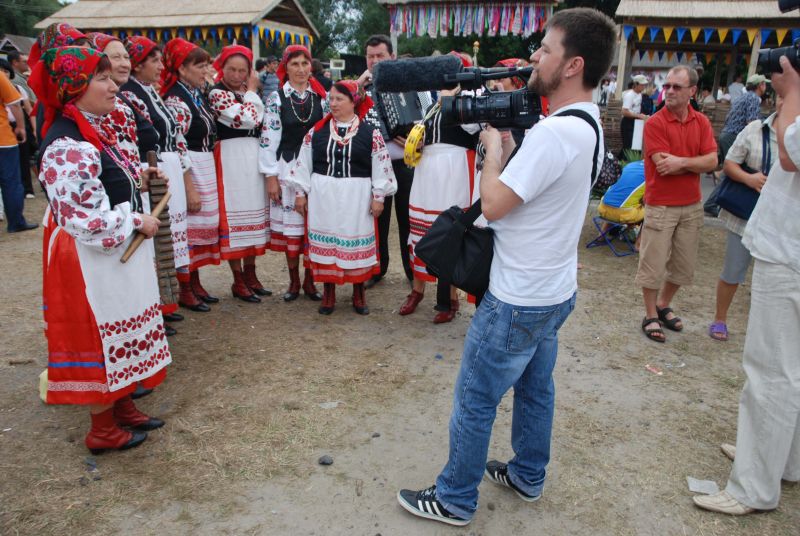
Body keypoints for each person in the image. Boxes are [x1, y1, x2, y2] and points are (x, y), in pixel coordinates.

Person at [397, 8, 616, 525]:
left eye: (546, 48)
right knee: (536, 389)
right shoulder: (588, 124)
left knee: (476, 398)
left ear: (572, 64)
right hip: (555, 289)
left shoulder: (554, 133)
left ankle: (453, 498)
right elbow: (537, 197)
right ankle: (528, 473)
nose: (536, 55)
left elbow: (493, 205)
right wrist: (512, 151)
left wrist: (493, 150)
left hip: (517, 296)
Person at [29, 46, 170, 454]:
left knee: (122, 324)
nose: (114, 86)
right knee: (100, 334)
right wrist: (134, 220)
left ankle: (121, 404)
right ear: (74, 88)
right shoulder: (65, 145)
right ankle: (102, 428)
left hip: (109, 257)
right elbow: (81, 218)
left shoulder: (92, 129)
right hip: (88, 259)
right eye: (103, 79)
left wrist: (140, 176)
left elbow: (107, 179)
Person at [693, 55, 800, 517]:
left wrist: (793, 90)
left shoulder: (792, 98)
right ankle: (782, 460)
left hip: (790, 250)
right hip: (789, 247)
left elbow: (792, 153)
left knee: (771, 371)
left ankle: (754, 485)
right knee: (790, 368)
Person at [288, 80, 396, 314]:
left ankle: (358, 292)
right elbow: (303, 163)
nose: (332, 103)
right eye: (332, 98)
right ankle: (329, 292)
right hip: (323, 196)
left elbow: (381, 166)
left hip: (355, 197)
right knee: (329, 241)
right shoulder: (317, 131)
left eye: (339, 99)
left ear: (353, 102)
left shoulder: (370, 133)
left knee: (353, 240)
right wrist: (300, 193)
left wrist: (379, 196)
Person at [635, 65, 718, 343]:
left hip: (691, 205)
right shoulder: (656, 123)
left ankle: (663, 304)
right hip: (661, 205)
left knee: (683, 267)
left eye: (676, 87)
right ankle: (650, 315)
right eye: (667, 86)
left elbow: (713, 161)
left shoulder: (702, 122)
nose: (668, 91)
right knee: (653, 266)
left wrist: (682, 162)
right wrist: (696, 163)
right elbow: (662, 166)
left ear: (692, 91)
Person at [399, 51, 479, 324]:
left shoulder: (472, 97)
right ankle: (417, 289)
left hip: (453, 170)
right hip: (428, 171)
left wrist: (453, 95)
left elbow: (472, 127)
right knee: (422, 229)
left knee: (448, 231)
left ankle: (449, 298)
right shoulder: (433, 102)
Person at [123, 35, 193, 323]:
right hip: (149, 167)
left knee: (165, 238)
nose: (161, 66)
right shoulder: (130, 93)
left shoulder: (148, 91)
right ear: (137, 65)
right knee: (155, 238)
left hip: (166, 165)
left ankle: (165, 303)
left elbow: (171, 132)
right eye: (154, 60)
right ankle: (156, 307)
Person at [356, 34, 430, 287]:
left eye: (380, 56)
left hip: (406, 163)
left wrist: (421, 137)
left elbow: (429, 116)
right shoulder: (359, 88)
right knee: (377, 220)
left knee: (409, 218)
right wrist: (356, 87)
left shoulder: (412, 84)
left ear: (392, 57)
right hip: (373, 166)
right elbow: (338, 114)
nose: (375, 61)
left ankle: (412, 271)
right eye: (371, 56)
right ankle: (377, 269)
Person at [259, 45, 326, 302]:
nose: (301, 69)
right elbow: (268, 138)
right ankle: (294, 281)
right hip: (287, 167)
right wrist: (270, 176)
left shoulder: (321, 97)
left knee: (312, 226)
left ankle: (310, 281)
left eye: (305, 63)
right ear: (285, 68)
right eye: (295, 64)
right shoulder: (277, 98)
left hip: (315, 170)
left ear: (311, 66)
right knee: (292, 230)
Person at [162, 38, 221, 312]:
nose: (206, 70)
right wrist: (189, 186)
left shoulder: (197, 92)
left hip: (203, 161)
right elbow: (178, 142)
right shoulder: (176, 99)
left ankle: (194, 282)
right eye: (200, 65)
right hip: (191, 165)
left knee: (200, 228)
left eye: (207, 64)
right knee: (189, 229)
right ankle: (186, 286)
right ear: (182, 68)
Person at [208, 45, 270, 302]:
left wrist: (251, 94)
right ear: (221, 68)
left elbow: (258, 120)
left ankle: (251, 272)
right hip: (231, 155)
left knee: (254, 210)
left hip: (252, 154)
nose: (237, 75)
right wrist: (254, 92)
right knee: (234, 216)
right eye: (231, 69)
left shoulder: (245, 92)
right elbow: (248, 118)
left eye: (242, 70)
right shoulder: (217, 94)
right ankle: (237, 279)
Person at [709, 111, 778, 342]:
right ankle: (720, 318)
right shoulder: (755, 129)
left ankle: (767, 330)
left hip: (780, 221)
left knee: (773, 278)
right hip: (745, 215)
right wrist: (749, 179)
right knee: (733, 270)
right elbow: (729, 164)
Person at [0, 69, 36, 232]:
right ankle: (16, 222)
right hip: (3, 139)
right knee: (11, 182)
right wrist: (21, 127)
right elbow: (14, 103)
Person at [718, 74, 769, 162]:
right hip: (733, 137)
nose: (766, 87)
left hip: (726, 135)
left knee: (728, 169)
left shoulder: (743, 96)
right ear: (760, 85)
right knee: (734, 169)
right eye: (764, 84)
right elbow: (752, 123)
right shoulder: (753, 98)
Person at [620, 74, 648, 153]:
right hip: (628, 122)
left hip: (637, 121)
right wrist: (639, 116)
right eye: (642, 85)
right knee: (628, 146)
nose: (643, 87)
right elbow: (624, 111)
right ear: (636, 84)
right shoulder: (630, 95)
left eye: (644, 85)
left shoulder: (639, 95)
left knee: (636, 145)